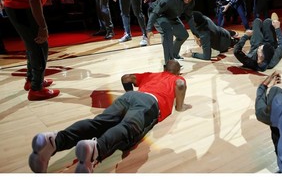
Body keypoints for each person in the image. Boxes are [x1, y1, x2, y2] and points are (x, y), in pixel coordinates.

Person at [28, 60, 191, 173]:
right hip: (150, 102)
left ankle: (54, 140)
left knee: (99, 122)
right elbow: (180, 85)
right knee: (129, 129)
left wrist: (130, 94)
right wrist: (180, 107)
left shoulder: (151, 74)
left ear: (164, 67)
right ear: (178, 71)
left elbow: (126, 77)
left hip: (129, 97)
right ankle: (95, 149)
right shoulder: (177, 78)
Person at [3, 0, 78, 100]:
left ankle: (32, 81)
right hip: (20, 7)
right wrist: (43, 27)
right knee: (40, 45)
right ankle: (36, 89)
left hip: (16, 6)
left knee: (33, 44)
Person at [146, 0, 198, 66]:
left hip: (171, 16)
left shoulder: (191, 3)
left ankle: (174, 54)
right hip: (158, 15)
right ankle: (169, 63)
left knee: (183, 35)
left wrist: (196, 34)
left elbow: (189, 18)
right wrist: (148, 29)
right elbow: (155, 12)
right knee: (167, 32)